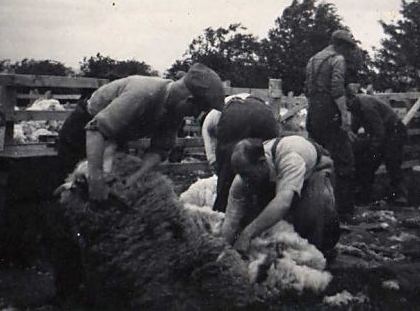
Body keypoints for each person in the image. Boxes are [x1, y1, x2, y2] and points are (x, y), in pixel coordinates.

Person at [57, 63, 225, 201]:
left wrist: (133, 179)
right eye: (198, 109)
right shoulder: (143, 93)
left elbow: (160, 149)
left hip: (115, 139)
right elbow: (96, 129)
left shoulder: (175, 111)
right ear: (189, 99)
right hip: (83, 131)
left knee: (111, 194)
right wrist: (96, 179)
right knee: (72, 192)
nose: (195, 115)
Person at [220, 136, 340, 260]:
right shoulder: (243, 178)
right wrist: (222, 251)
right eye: (241, 175)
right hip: (281, 177)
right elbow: (231, 219)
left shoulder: (291, 159)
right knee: (257, 214)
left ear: (262, 162)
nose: (244, 180)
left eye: (247, 175)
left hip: (314, 170)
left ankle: (323, 251)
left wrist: (247, 234)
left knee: (313, 209)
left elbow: (283, 203)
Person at [305, 29, 358, 218]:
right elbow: (336, 89)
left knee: (317, 160)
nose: (349, 52)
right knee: (345, 162)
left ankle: (315, 208)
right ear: (341, 45)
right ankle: (344, 212)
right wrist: (344, 115)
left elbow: (307, 88)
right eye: (349, 47)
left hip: (313, 113)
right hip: (330, 113)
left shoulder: (313, 59)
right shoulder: (338, 60)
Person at [201, 94, 280, 212]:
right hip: (263, 111)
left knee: (227, 173)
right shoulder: (216, 113)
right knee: (266, 163)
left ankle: (221, 213)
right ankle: (266, 211)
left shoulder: (207, 123)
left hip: (236, 113)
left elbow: (214, 159)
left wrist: (217, 165)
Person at [347, 90, 407, 204]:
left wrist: (372, 152)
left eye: (347, 104)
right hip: (383, 133)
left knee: (392, 162)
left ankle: (401, 195)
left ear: (351, 98)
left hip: (394, 131)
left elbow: (379, 132)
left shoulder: (366, 106)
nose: (347, 107)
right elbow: (354, 128)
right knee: (367, 164)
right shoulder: (355, 107)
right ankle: (365, 195)